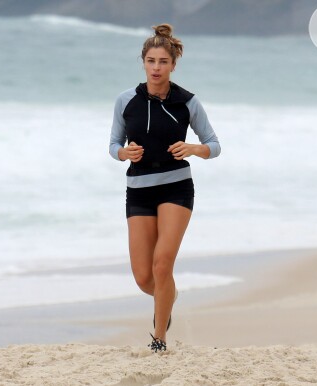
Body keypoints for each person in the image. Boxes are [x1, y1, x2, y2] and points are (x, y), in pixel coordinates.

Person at [108, 23, 221, 353]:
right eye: (151, 61)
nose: (156, 68)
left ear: (173, 65)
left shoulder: (187, 102)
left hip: (176, 188)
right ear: (143, 62)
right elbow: (113, 144)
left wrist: (193, 149)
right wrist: (122, 153)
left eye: (163, 62)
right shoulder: (125, 100)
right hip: (138, 190)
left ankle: (159, 338)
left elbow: (213, 145)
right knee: (145, 278)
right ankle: (166, 297)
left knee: (162, 264)